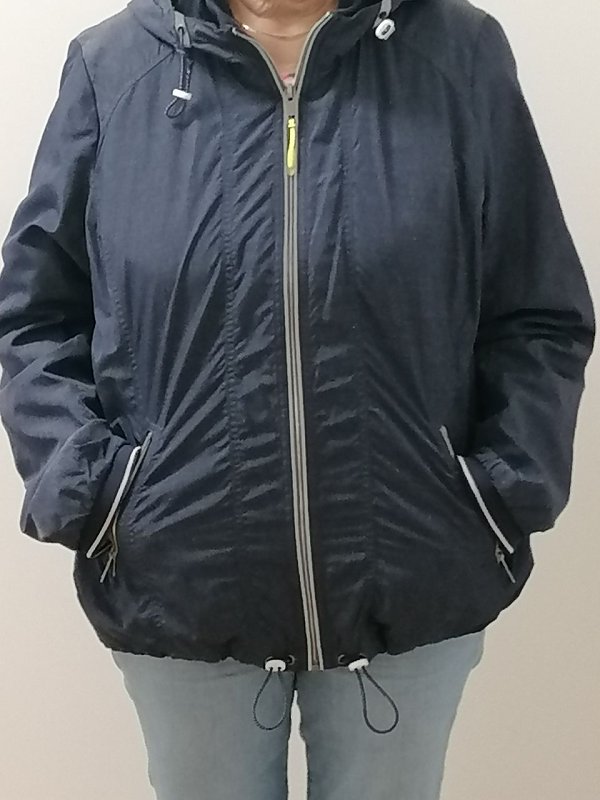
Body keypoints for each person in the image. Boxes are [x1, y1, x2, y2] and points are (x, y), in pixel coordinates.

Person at [0, 0, 594, 797]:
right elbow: (36, 316)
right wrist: (99, 496)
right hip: (182, 587)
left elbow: (537, 312)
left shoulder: (460, 55)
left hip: (409, 580)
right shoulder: (113, 68)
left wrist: (495, 494)